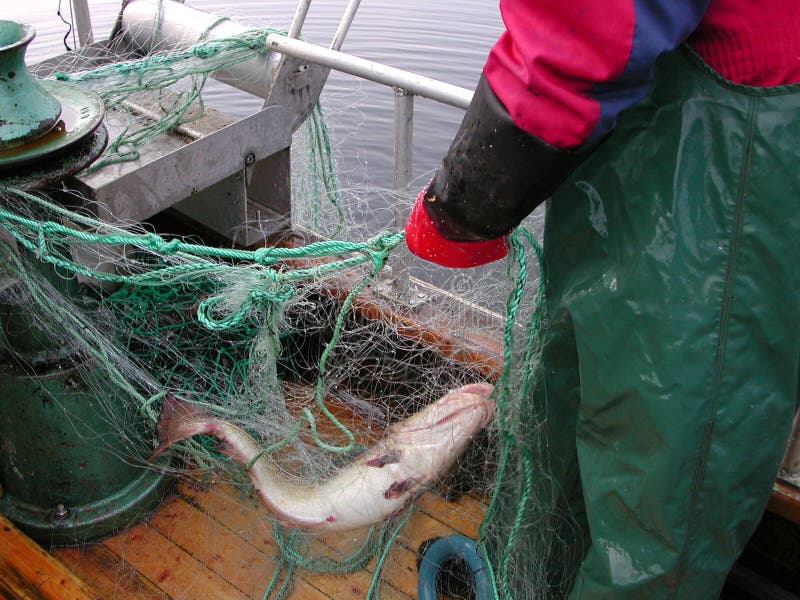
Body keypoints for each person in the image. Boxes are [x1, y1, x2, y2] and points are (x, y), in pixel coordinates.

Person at [405, 1, 800, 598]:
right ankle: (520, 579)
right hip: (634, 119)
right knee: (564, 388)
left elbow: (590, 24)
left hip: (738, 146)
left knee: (665, 481)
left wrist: (460, 209)